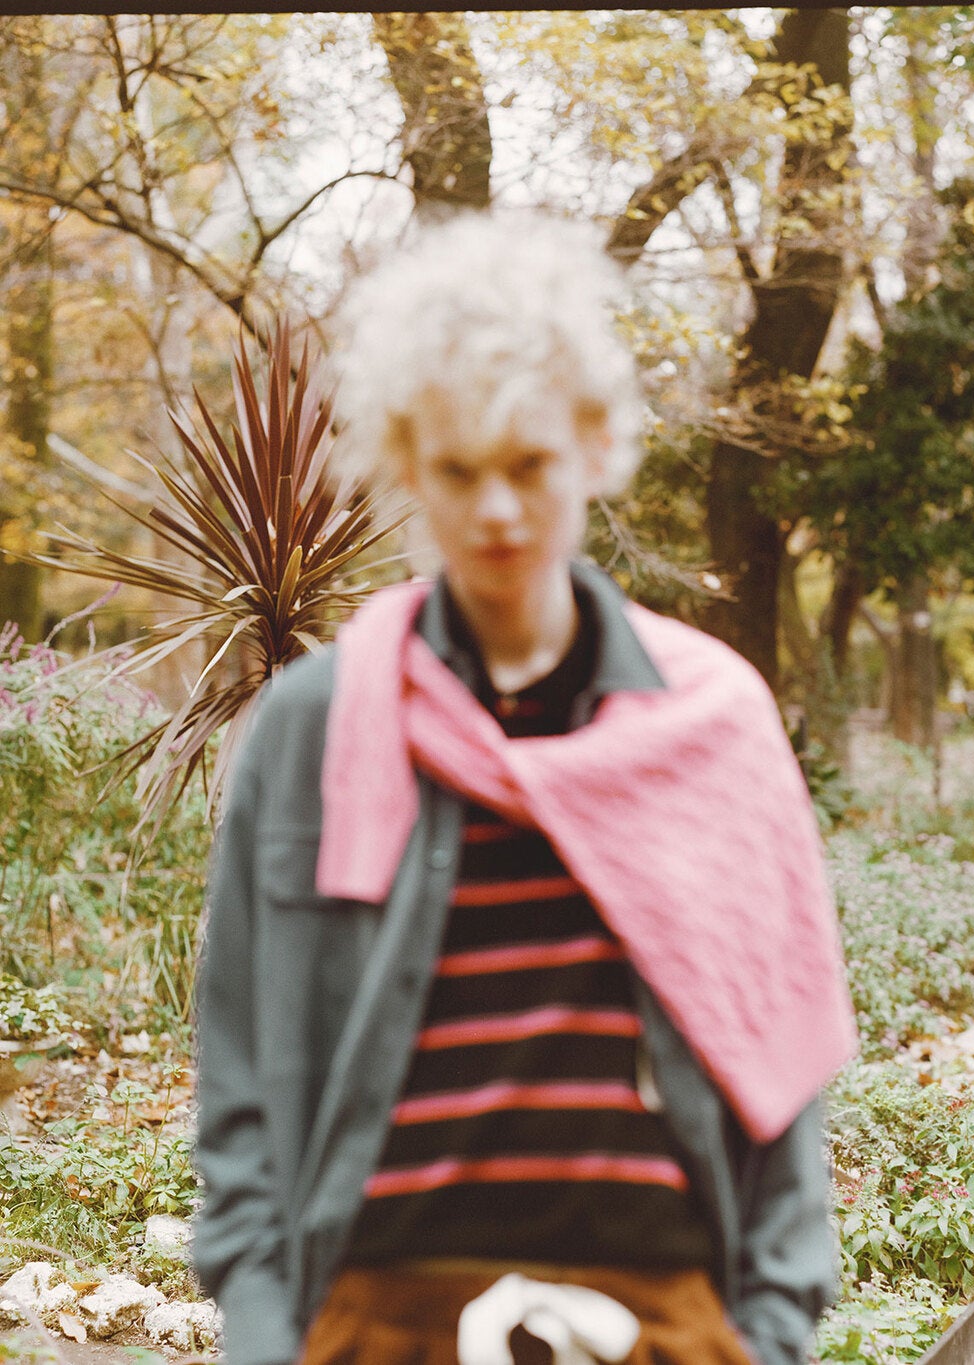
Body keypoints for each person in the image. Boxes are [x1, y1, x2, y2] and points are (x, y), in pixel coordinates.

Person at [192, 212, 858, 1365]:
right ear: (407, 464)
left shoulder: (710, 721)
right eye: (459, 470)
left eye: (530, 465)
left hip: (662, 1322)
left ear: (596, 447)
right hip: (380, 1326)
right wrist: (265, 1336)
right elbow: (239, 1070)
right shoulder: (312, 727)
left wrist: (768, 1332)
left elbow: (781, 1043)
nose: (496, 510)